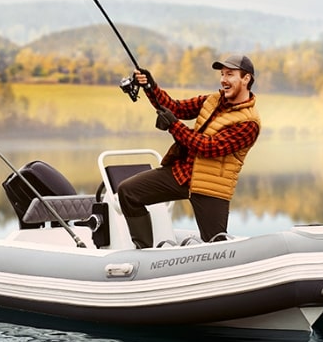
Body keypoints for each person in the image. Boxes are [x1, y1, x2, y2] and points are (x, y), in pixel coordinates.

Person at [97, 55, 261, 249]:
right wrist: (150, 87)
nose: (223, 79)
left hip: (211, 187)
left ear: (246, 79)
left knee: (216, 245)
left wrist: (173, 126)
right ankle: (144, 253)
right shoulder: (213, 100)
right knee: (128, 192)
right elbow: (175, 108)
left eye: (230, 74)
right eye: (222, 74)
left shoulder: (248, 123)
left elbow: (207, 147)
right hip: (182, 174)